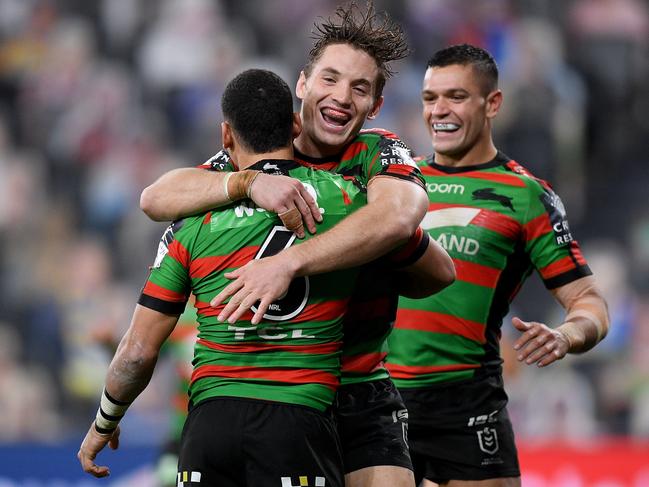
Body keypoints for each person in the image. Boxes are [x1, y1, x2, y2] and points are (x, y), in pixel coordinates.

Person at [138, 4, 455, 487]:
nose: (342, 97)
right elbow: (157, 197)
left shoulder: (376, 151)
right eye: (330, 79)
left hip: (358, 385)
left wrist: (290, 263)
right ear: (303, 84)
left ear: (376, 107)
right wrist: (246, 184)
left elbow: (399, 218)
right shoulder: (258, 150)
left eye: (360, 89)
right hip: (279, 393)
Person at [77, 68, 372, 487]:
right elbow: (428, 264)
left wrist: (104, 421)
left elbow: (138, 351)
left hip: (208, 429)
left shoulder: (191, 223)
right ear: (295, 124)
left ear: (226, 136)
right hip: (298, 422)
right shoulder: (347, 200)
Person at [386, 44, 610, 487]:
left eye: (456, 96)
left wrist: (566, 335)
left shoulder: (526, 195)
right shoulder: (395, 184)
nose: (439, 111)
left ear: (492, 104)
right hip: (382, 401)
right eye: (430, 98)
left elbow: (588, 302)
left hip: (467, 404)